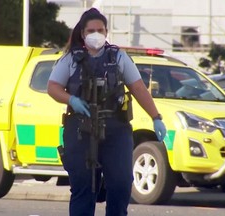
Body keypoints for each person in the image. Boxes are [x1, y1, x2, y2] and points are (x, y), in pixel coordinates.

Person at [47, 7, 166, 216]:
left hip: (116, 129)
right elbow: (53, 87)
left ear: (106, 31)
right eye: (91, 30)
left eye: (100, 30)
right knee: (84, 187)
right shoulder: (70, 59)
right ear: (83, 33)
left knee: (121, 184)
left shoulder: (118, 57)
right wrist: (72, 100)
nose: (96, 34)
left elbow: (138, 88)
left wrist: (156, 117)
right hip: (80, 129)